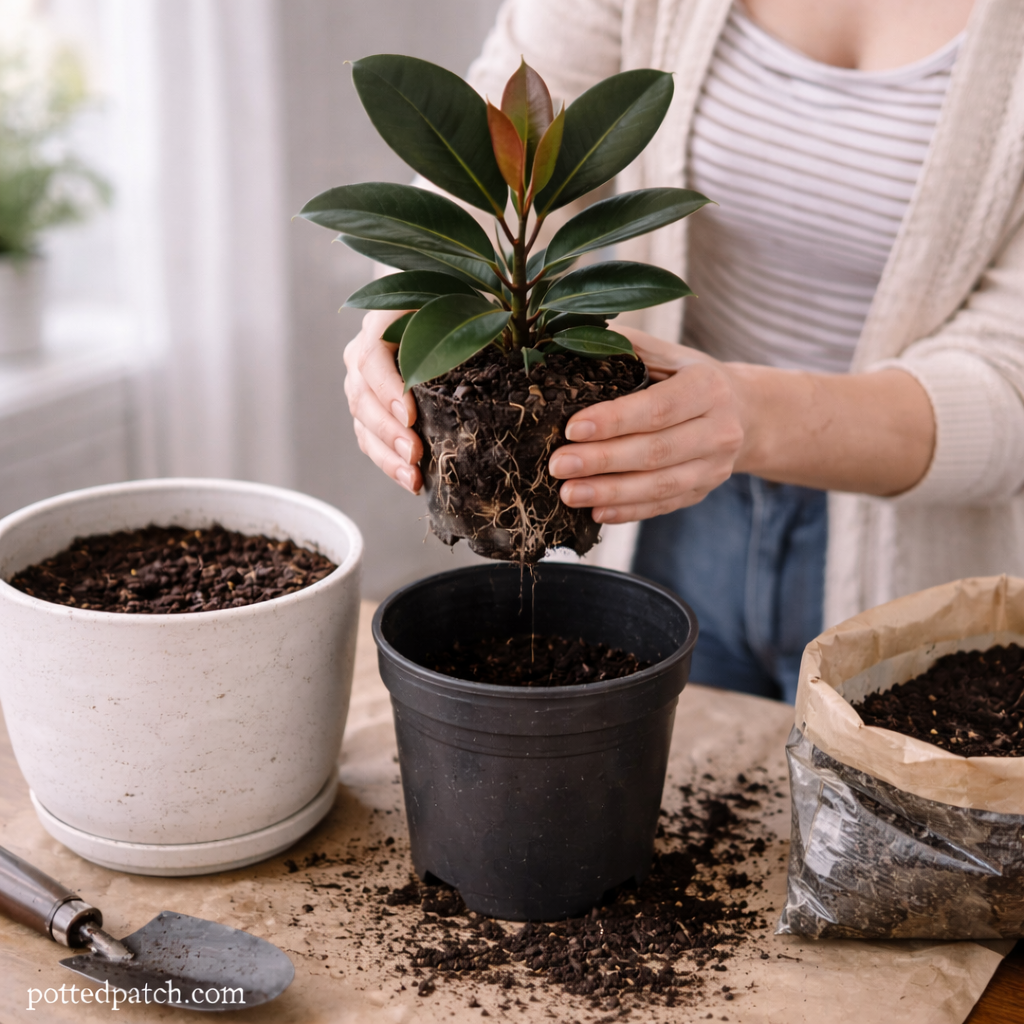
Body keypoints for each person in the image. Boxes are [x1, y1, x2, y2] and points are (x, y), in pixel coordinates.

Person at [344, 0, 1024, 702]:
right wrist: (415, 301)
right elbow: (495, 151)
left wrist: (750, 416)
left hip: (914, 546)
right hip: (662, 505)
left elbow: (1012, 380)